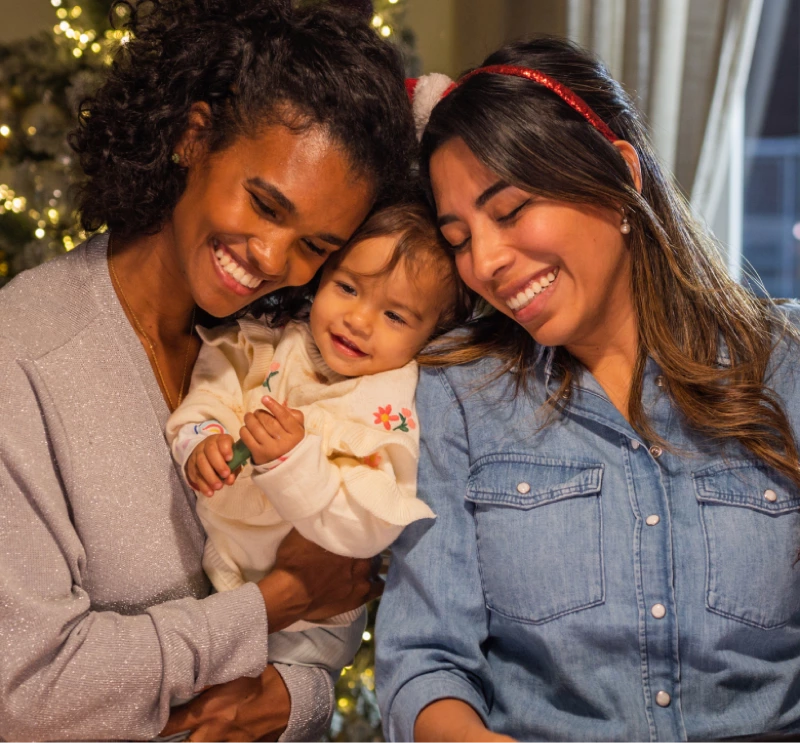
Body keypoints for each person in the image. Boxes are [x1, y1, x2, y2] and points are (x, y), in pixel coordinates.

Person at [0, 0, 417, 739]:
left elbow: (327, 617)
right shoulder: (22, 355)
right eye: (263, 203)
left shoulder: (286, 352)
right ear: (195, 139)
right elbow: (29, 687)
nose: (271, 257)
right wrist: (268, 606)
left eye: (315, 246)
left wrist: (293, 697)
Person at [376, 36, 800, 743]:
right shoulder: (454, 392)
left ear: (619, 177)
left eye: (509, 211)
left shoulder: (783, 364)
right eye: (459, 237)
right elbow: (425, 662)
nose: (485, 262)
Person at [165, 202, 468, 665]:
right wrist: (202, 441)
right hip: (213, 568)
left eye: (395, 316)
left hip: (306, 627)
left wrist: (292, 464)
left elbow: (368, 526)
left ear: (431, 334)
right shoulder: (271, 341)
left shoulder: (388, 406)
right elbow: (212, 393)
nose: (358, 320)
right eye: (347, 287)